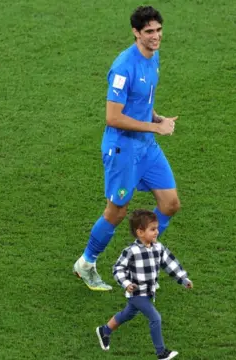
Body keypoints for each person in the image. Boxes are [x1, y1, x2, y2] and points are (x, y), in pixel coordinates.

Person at [73, 5, 181, 291]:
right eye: (149, 32)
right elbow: (113, 117)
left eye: (158, 30)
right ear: (136, 32)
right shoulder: (123, 67)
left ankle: (141, 255)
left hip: (146, 147)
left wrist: (155, 116)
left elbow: (142, 99)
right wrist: (155, 127)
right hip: (123, 150)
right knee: (117, 211)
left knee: (170, 204)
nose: (155, 37)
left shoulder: (153, 56)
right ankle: (85, 264)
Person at [95, 210, 192, 360]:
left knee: (128, 314)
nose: (157, 232)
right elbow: (118, 268)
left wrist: (183, 279)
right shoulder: (131, 251)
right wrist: (126, 283)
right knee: (155, 318)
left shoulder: (158, 248)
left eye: (157, 228)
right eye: (152, 229)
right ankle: (161, 352)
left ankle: (105, 330)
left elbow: (170, 264)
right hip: (136, 293)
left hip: (149, 292)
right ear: (140, 232)